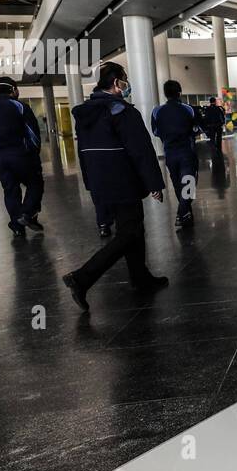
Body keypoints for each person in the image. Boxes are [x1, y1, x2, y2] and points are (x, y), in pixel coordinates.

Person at [62, 62, 167, 311]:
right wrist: (154, 183)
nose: (127, 84)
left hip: (101, 180)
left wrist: (89, 181)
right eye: (125, 79)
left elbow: (83, 151)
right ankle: (82, 277)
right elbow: (140, 151)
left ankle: (141, 278)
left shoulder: (86, 112)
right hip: (123, 180)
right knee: (128, 233)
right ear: (116, 83)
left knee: (134, 228)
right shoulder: (122, 111)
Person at [0, 75, 44, 237]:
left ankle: (17, 226)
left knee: (10, 191)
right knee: (35, 183)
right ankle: (27, 215)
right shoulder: (20, 107)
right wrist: (33, 153)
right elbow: (32, 134)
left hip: (0, 157)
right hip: (21, 155)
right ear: (14, 90)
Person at [151, 79, 201, 230]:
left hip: (169, 153)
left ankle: (186, 214)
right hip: (187, 151)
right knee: (189, 183)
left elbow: (155, 132)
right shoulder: (188, 109)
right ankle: (182, 212)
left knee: (178, 184)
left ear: (165, 94)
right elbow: (197, 128)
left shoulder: (157, 111)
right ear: (179, 92)